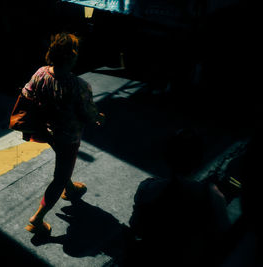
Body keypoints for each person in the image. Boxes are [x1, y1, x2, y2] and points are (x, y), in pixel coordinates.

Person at [23, 32, 104, 235]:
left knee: (63, 164)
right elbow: (88, 114)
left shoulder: (41, 73)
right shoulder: (79, 86)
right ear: (72, 57)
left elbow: (26, 94)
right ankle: (37, 219)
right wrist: (98, 117)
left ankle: (71, 189)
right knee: (60, 175)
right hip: (68, 137)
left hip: (47, 131)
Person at [128, 128, 231, 266]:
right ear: (199, 160)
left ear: (167, 158)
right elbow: (225, 238)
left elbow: (135, 225)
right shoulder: (212, 195)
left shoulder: (147, 188)